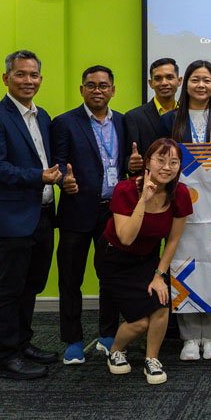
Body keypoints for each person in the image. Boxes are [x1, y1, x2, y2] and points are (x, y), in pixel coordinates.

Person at [0, 50, 60, 379]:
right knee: (8, 289)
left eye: (33, 75)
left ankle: (23, 343)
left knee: (31, 285)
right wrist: (39, 177)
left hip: (42, 214)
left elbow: (47, 160)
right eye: (21, 74)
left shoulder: (42, 116)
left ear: (40, 80)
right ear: (6, 78)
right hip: (11, 217)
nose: (28, 81)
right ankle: (6, 357)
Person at [162, 60, 211, 361]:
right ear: (187, 84)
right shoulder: (169, 119)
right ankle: (188, 337)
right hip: (181, 206)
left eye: (207, 80)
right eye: (195, 80)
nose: (201, 86)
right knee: (183, 266)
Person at [96, 137, 192, 384]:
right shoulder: (126, 190)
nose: (167, 167)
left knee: (161, 305)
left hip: (147, 258)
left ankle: (152, 359)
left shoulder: (180, 193)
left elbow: (173, 240)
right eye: (160, 160)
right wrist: (144, 200)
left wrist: (159, 275)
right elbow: (126, 238)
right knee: (139, 323)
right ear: (147, 162)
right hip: (114, 259)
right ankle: (116, 350)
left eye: (173, 162)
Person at [51, 65, 125, 365]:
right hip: (77, 211)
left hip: (113, 213)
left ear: (112, 90)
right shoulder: (65, 123)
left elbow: (127, 166)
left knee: (110, 276)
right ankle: (73, 340)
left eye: (103, 85)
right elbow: (56, 164)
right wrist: (60, 180)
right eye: (91, 85)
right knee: (71, 278)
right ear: (82, 89)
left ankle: (108, 335)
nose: (98, 90)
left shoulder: (122, 121)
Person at [124, 57, 182, 176]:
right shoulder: (134, 117)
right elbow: (126, 158)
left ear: (179, 81)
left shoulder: (187, 114)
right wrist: (130, 165)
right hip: (150, 185)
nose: (164, 83)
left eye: (170, 77)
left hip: (186, 184)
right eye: (158, 78)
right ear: (151, 83)